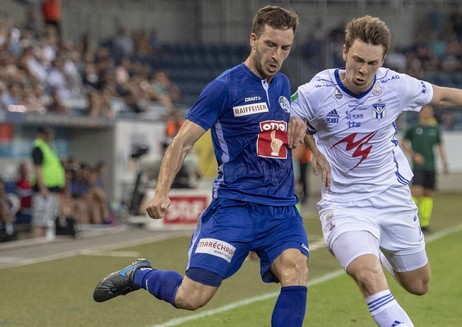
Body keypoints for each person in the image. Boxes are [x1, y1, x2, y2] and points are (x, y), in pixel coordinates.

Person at [290, 16, 462, 327]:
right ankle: (371, 259)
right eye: (357, 60)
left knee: (419, 285)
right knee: (367, 274)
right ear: (344, 52)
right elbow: (287, 118)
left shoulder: (395, 85)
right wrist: (313, 146)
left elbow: (442, 95)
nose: (362, 70)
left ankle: (382, 254)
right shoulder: (316, 91)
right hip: (345, 205)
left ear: (383, 60)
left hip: (392, 197)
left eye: (371, 63)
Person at [93, 6, 309, 327]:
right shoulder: (225, 87)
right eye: (270, 45)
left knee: (295, 269)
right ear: (253, 39)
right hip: (234, 210)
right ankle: (140, 274)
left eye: (285, 48)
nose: (277, 55)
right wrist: (161, 192)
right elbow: (181, 142)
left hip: (280, 211)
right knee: (190, 298)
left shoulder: (282, 85)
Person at [401, 105, 449, 233]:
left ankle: (424, 223)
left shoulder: (435, 129)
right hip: (418, 166)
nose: (426, 113)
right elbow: (403, 143)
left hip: (431, 165)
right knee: (416, 192)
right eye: (424, 111)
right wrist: (414, 155)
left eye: (429, 111)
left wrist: (445, 163)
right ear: (420, 113)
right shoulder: (413, 128)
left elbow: (440, 147)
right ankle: (409, 220)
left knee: (428, 193)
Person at [31, 125, 66, 238]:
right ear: (40, 135)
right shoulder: (38, 147)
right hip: (44, 190)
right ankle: (37, 244)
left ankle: (43, 242)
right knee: (40, 220)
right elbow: (37, 168)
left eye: (50, 134)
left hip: (53, 189)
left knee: (48, 219)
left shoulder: (50, 147)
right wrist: (42, 187)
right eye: (46, 134)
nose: (49, 136)